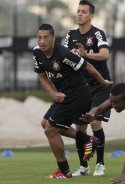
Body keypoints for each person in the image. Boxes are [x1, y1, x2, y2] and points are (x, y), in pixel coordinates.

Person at [33, 23, 111, 179]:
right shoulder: (37, 53)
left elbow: (88, 66)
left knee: (50, 130)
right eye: (39, 37)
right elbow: (42, 75)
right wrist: (53, 93)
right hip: (63, 95)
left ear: (53, 38)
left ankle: (64, 171)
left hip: (78, 95)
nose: (42, 41)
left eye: (46, 37)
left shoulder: (64, 54)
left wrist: (102, 82)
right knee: (45, 123)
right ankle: (88, 140)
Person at [64, 0, 111, 176]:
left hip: (101, 85)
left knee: (95, 122)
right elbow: (65, 56)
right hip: (81, 88)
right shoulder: (71, 34)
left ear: (91, 16)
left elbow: (105, 55)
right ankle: (84, 167)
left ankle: (100, 164)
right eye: (78, 11)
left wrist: (86, 55)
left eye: (84, 12)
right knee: (80, 128)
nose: (79, 14)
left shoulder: (98, 34)